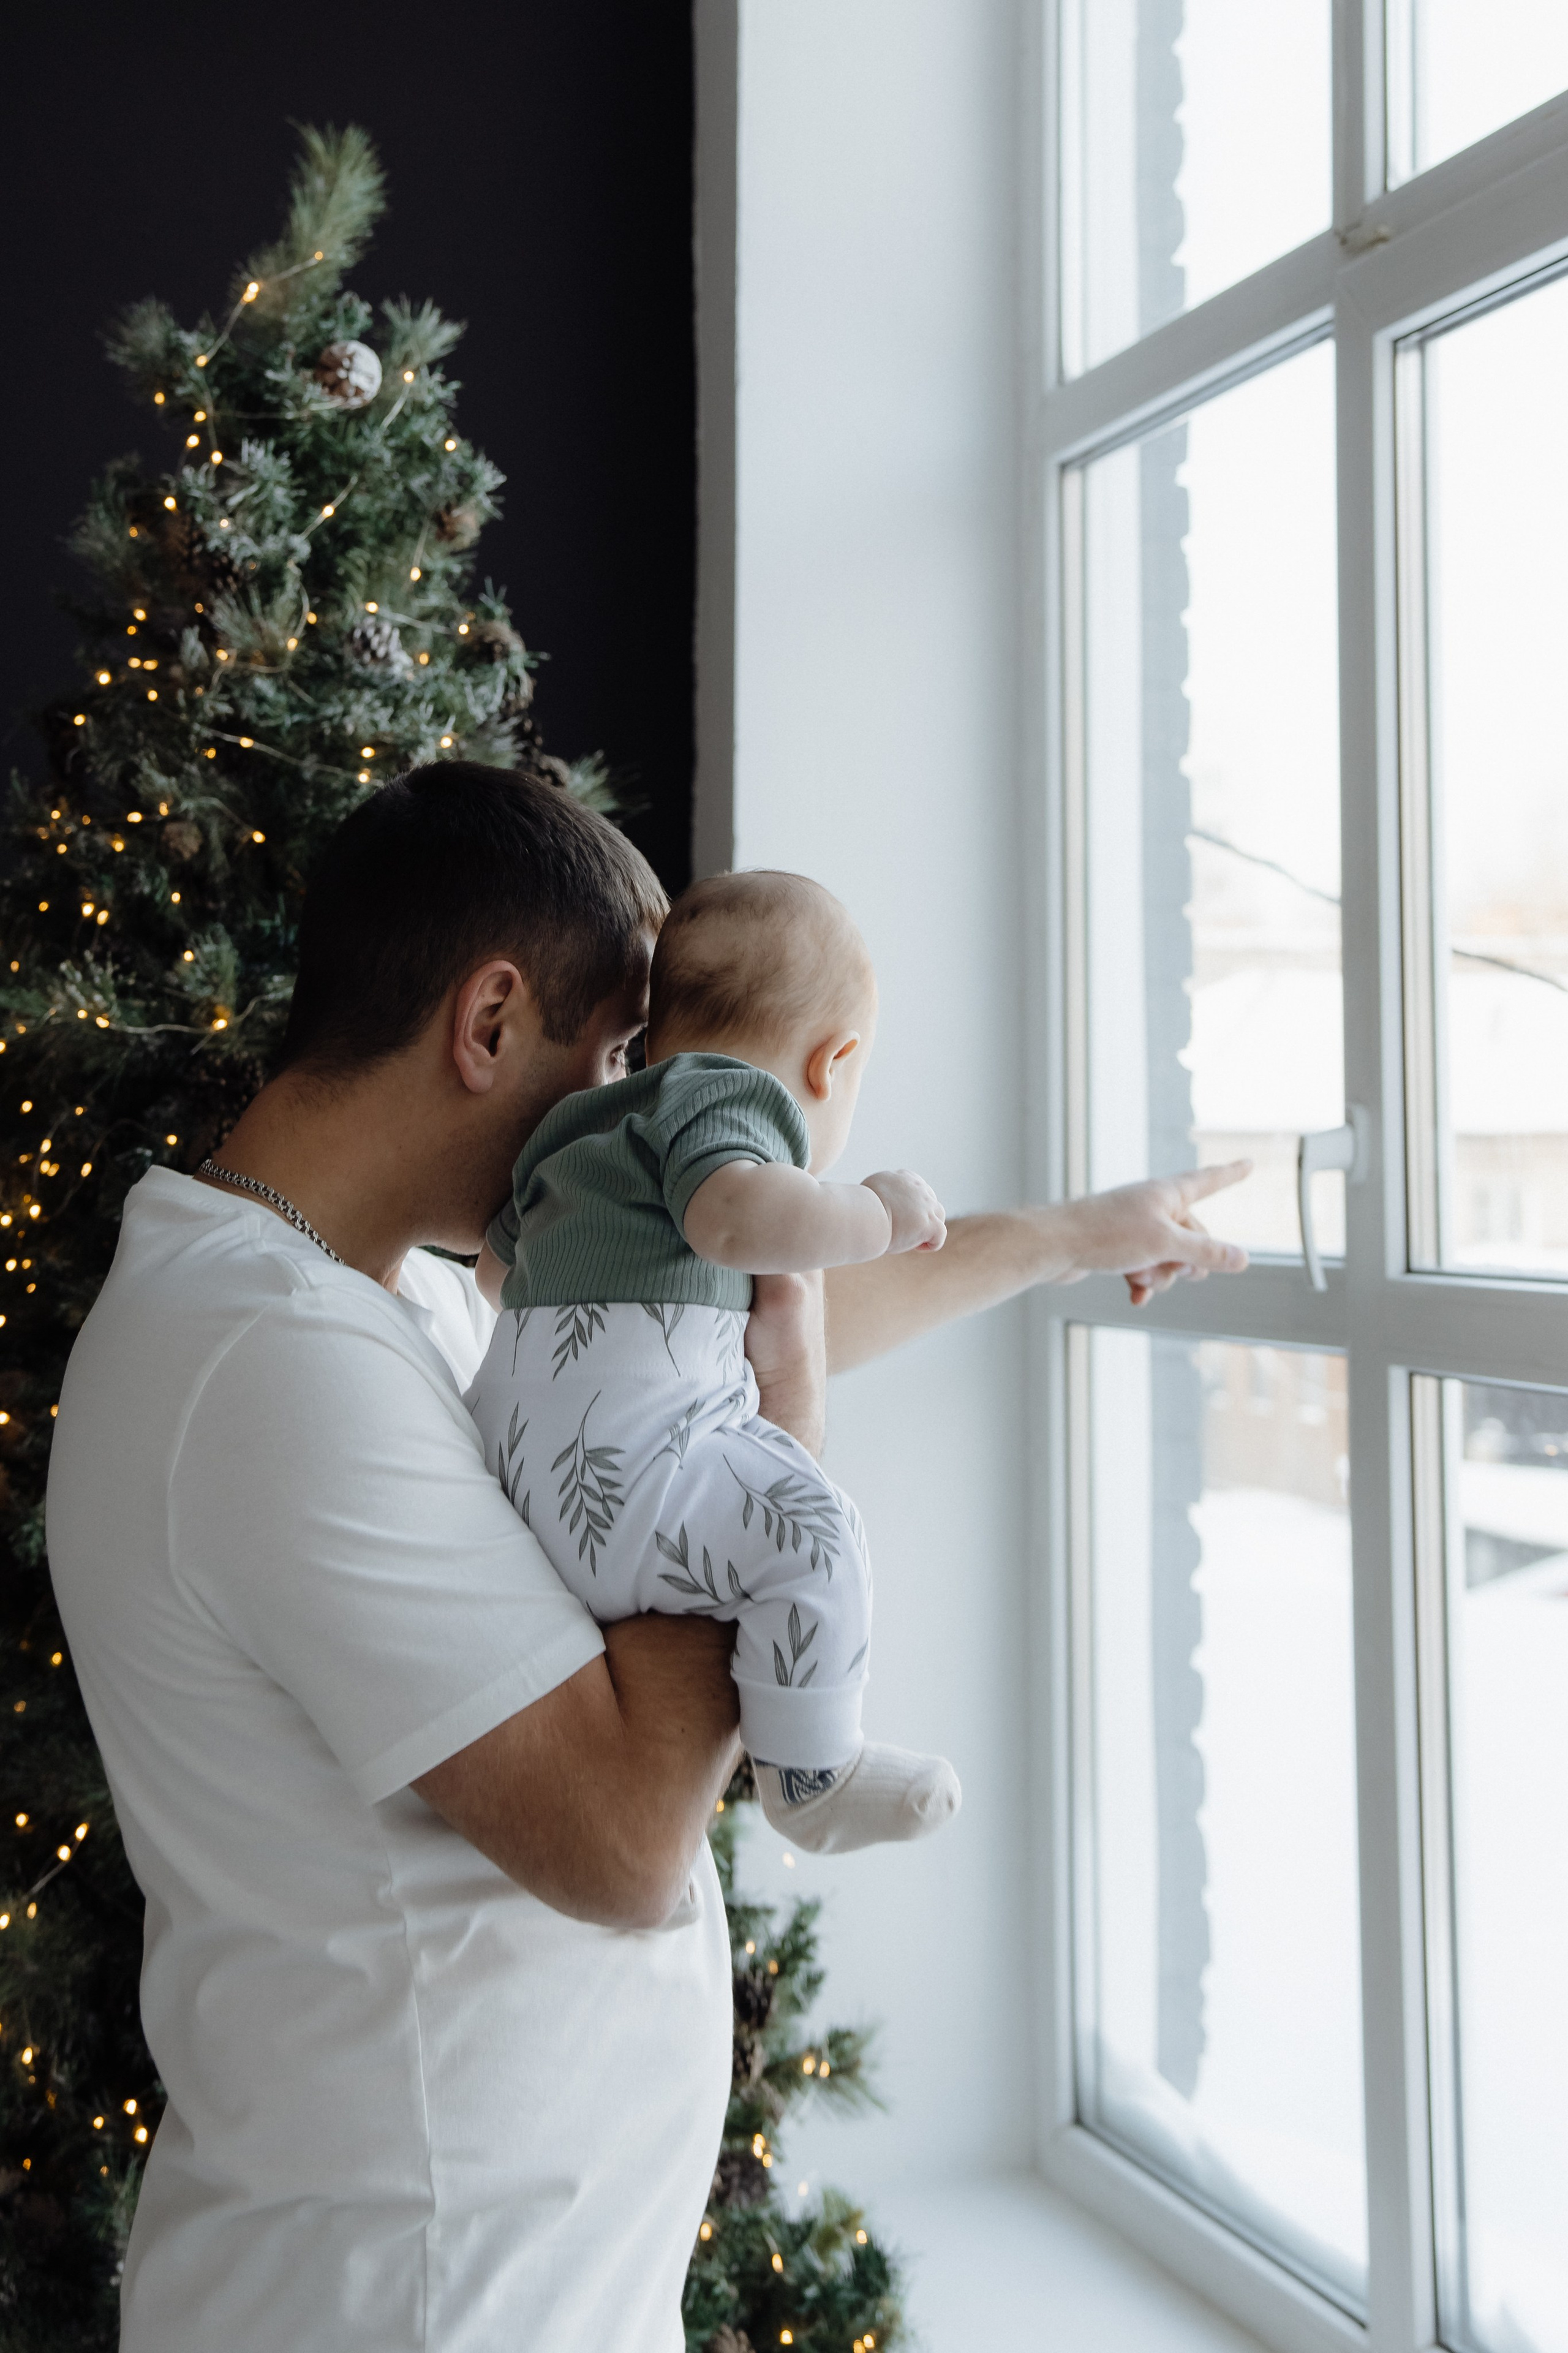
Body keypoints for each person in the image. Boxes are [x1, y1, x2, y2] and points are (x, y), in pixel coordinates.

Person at [46, 764, 1251, 2353]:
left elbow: (682, 1347)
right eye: (620, 1053)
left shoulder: (386, 1287)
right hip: (406, 2306)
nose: (641, 1110)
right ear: (489, 1026)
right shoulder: (271, 1364)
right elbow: (619, 1842)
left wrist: (1072, 1237)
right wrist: (786, 1431)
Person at [469, 867, 961, 1856]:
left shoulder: (581, 1125)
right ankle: (812, 1775)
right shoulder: (734, 1101)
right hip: (636, 1475)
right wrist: (876, 1212)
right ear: (832, 1063)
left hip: (516, 1483)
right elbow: (733, 1217)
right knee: (817, 1536)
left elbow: (492, 1269)